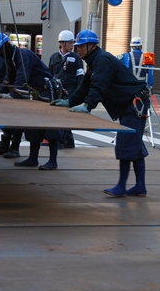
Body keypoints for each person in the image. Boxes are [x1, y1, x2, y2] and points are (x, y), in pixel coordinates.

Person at [52, 29, 150, 197]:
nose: (79, 49)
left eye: (82, 46)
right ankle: (140, 186)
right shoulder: (94, 61)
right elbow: (84, 86)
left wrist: (88, 106)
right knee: (134, 145)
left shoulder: (102, 60)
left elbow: (99, 86)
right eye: (77, 46)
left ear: (92, 46)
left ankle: (122, 186)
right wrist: (70, 101)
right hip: (128, 104)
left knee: (126, 144)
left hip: (133, 105)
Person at [0, 33, 62, 169]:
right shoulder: (10, 60)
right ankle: (33, 158)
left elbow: (21, 79)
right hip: (34, 92)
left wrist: (11, 95)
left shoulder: (23, 55)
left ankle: (53, 160)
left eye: (0, 50)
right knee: (32, 124)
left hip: (47, 91)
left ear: (6, 46)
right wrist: (0, 95)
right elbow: (9, 80)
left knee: (50, 126)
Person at [48, 29, 84, 149]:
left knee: (66, 117)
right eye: (70, 43)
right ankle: (67, 140)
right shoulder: (53, 57)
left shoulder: (76, 58)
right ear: (62, 43)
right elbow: (49, 75)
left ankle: (64, 140)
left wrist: (80, 91)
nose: (72, 45)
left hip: (71, 91)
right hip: (57, 92)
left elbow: (80, 75)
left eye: (73, 43)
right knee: (58, 117)